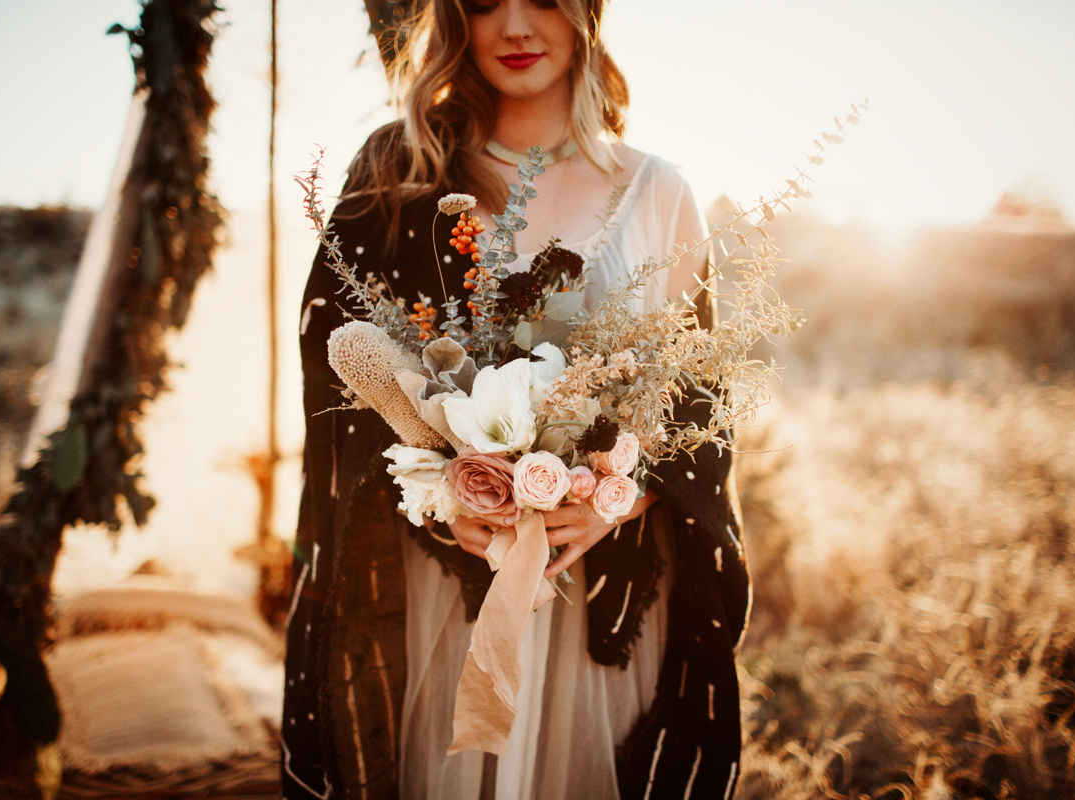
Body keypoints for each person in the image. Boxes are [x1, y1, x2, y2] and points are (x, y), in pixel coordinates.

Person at [281, 1, 749, 798]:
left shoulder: (660, 193)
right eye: (485, 1)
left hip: (606, 592)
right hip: (436, 587)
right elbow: (339, 385)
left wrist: (615, 498)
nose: (516, 26)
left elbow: (696, 402)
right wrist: (441, 497)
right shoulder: (398, 174)